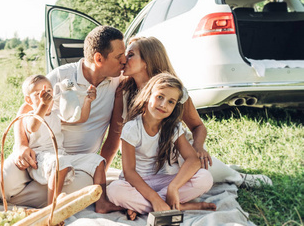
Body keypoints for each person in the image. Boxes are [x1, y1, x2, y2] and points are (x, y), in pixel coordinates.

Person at [0, 25, 127, 211]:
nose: (124, 61)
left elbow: (114, 135)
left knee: (81, 189)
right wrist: (21, 145)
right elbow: (26, 107)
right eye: (118, 56)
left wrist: (97, 173)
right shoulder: (61, 76)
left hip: (75, 162)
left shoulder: (117, 84)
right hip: (39, 154)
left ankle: (2, 195)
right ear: (99, 58)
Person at [111, 36, 272, 187]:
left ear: (147, 61)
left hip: (176, 157)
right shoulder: (123, 92)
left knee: (202, 169)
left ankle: (238, 178)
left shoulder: (175, 92)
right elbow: (116, 135)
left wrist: (198, 147)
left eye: (130, 55)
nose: (124, 59)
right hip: (143, 162)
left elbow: (198, 126)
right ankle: (223, 169)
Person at [107, 73, 216, 220]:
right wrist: (155, 199)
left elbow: (193, 160)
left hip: (165, 180)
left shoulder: (174, 127)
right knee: (114, 190)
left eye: (171, 102)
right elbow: (129, 172)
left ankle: (144, 207)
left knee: (205, 178)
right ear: (147, 95)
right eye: (160, 97)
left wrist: (174, 187)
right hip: (138, 183)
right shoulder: (132, 128)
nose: (164, 105)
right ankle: (177, 206)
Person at [20, 74, 104, 204]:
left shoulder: (55, 114)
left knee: (97, 161)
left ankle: (102, 203)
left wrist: (88, 101)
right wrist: (43, 105)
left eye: (48, 91)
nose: (45, 96)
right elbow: (33, 127)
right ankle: (52, 207)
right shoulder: (29, 116)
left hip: (61, 156)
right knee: (60, 162)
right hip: (40, 159)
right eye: (38, 94)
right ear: (29, 100)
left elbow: (80, 118)